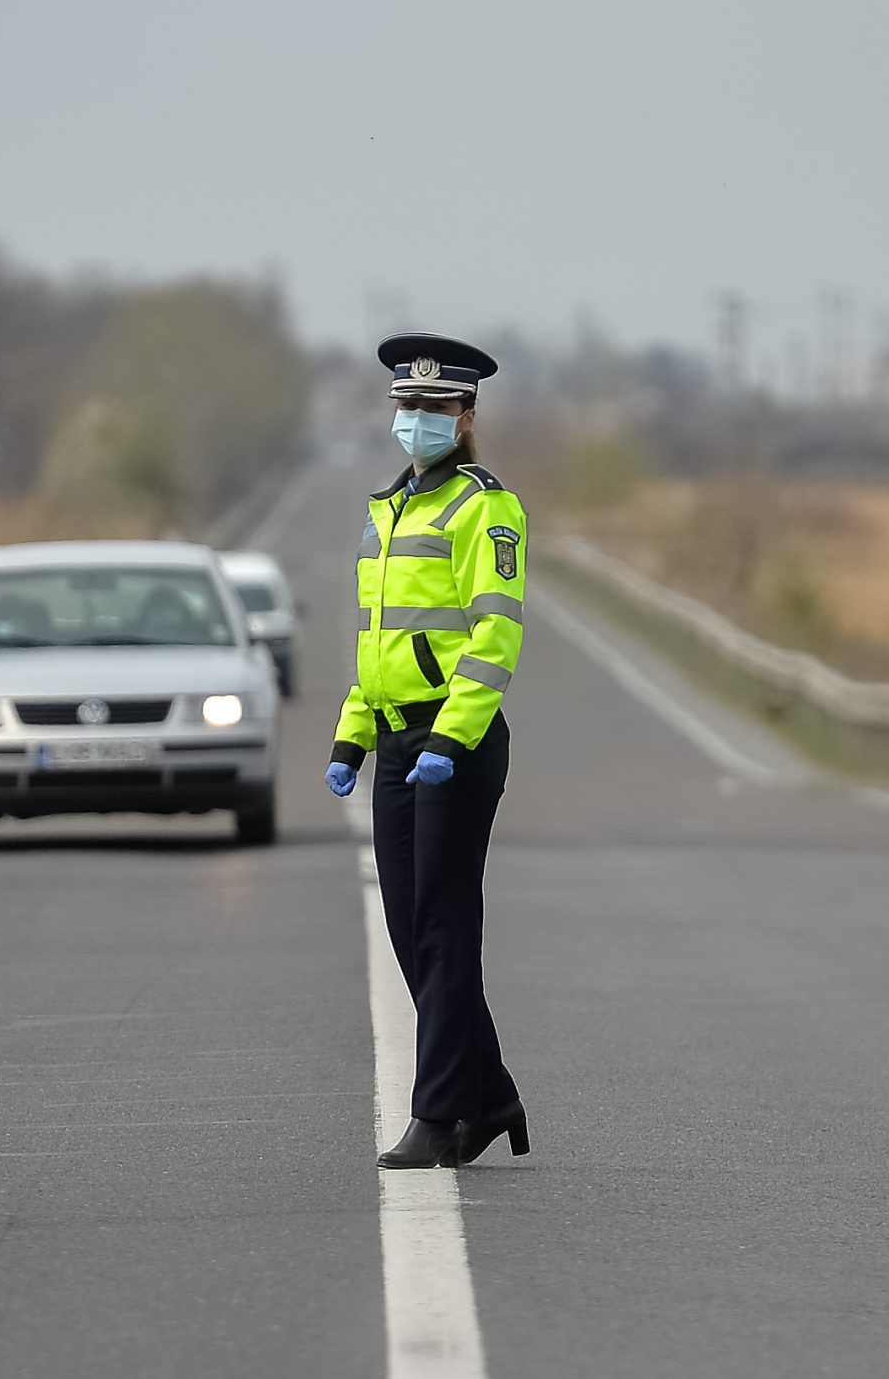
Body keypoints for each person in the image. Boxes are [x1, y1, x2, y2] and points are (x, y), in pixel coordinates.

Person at [327, 332, 532, 1169]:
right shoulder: (387, 511)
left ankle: (441, 1112)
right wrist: (350, 733)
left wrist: (453, 733)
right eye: (405, 407)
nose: (416, 420)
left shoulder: (487, 508)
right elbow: (380, 643)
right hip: (395, 737)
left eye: (433, 408)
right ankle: (491, 1096)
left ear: (466, 414)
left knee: (444, 928)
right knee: (411, 929)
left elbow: (494, 632)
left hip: (457, 739)